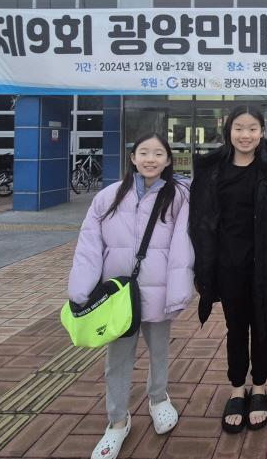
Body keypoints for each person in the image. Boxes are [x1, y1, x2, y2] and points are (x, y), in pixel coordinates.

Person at [68, 133, 193, 459]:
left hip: (159, 291)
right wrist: (81, 290)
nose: (151, 159)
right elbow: (89, 245)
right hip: (119, 296)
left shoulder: (179, 196)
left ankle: (158, 398)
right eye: (144, 153)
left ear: (169, 160)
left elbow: (183, 246)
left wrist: (178, 290)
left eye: (158, 153)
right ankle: (117, 420)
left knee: (159, 351)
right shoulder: (108, 196)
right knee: (118, 359)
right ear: (133, 158)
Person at [189, 105, 267, 434]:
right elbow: (199, 220)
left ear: (262, 132)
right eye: (239, 128)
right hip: (227, 265)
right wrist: (202, 267)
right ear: (228, 130)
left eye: (252, 128)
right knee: (235, 328)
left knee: (262, 327)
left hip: (264, 266)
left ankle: (259, 387)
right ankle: (237, 389)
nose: (245, 135)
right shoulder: (212, 169)